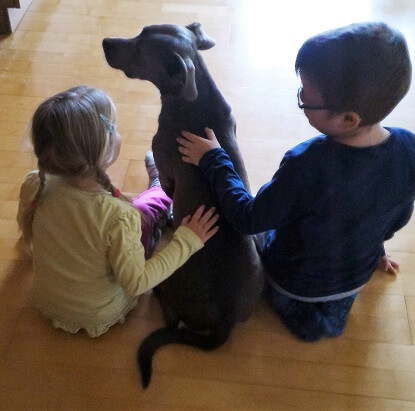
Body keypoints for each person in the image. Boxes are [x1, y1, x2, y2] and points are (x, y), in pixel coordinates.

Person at [176, 22, 414, 342]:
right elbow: (397, 214)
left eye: (305, 98)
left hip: (293, 283)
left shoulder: (305, 165)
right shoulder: (409, 149)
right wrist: (377, 249)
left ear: (348, 119)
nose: (301, 98)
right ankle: (326, 320)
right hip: (355, 278)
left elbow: (248, 218)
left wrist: (214, 160)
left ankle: (305, 319)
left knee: (257, 238)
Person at [17, 85, 219, 338]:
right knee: (144, 210)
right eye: (115, 128)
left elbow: (27, 230)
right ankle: (160, 188)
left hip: (46, 300)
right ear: (105, 151)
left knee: (125, 220)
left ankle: (158, 188)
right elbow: (137, 282)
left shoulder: (35, 185)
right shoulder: (119, 216)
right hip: (101, 312)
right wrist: (188, 240)